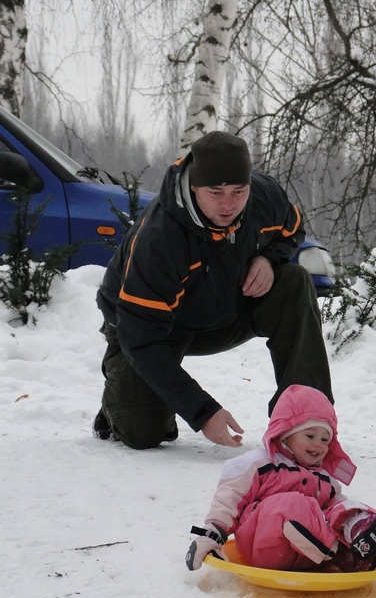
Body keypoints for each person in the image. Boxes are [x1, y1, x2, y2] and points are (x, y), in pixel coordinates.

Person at [94, 131, 333, 449]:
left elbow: (292, 231)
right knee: (143, 432)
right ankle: (120, 394)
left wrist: (268, 258)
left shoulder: (264, 197)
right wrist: (204, 412)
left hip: (228, 305)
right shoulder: (160, 238)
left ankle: (304, 417)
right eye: (216, 192)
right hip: (152, 329)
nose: (228, 205)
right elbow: (141, 339)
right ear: (194, 187)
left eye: (238, 191)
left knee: (294, 281)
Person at [185, 384, 376, 573]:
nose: (318, 445)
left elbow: (336, 511)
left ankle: (366, 536)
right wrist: (212, 533)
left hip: (305, 553)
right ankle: (338, 551)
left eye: (325, 439)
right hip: (263, 546)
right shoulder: (261, 463)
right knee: (293, 504)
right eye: (310, 436)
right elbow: (229, 498)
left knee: (344, 506)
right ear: (285, 435)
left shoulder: (324, 478)